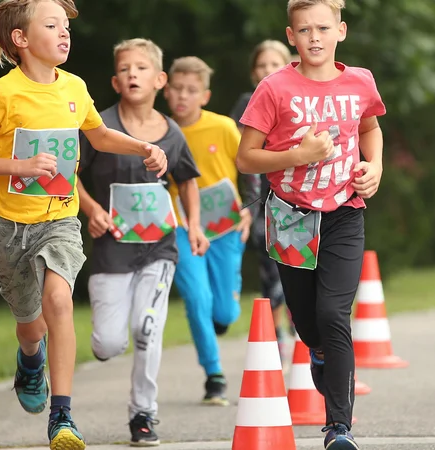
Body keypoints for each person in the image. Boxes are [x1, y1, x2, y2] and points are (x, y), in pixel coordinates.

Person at [0, 1, 167, 449]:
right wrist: (21, 165)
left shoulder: (75, 87)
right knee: (31, 325)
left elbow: (100, 136)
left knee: (59, 301)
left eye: (66, 26)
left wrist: (143, 147)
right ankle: (31, 359)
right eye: (52, 25)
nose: (65, 33)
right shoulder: (0, 94)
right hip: (8, 225)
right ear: (21, 40)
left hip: (60, 218)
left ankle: (62, 416)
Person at [236, 0, 386, 448]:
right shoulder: (274, 87)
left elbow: (370, 128)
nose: (314, 37)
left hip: (344, 213)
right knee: (306, 323)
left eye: (323, 28)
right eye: (305, 30)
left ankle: (339, 427)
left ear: (341, 30)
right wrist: (298, 157)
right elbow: (246, 156)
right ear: (290, 36)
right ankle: (318, 352)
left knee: (333, 314)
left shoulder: (360, 81)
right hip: (291, 216)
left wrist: (375, 166)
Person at [77, 38, 207, 447]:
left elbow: (187, 181)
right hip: (112, 249)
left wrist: (195, 225)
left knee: (147, 329)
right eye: (125, 69)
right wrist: (90, 208)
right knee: (110, 342)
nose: (133, 74)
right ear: (115, 82)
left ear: (159, 79)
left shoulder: (172, 133)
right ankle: (106, 348)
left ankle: (143, 414)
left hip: (159, 248)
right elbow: (68, 172)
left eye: (141, 68)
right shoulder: (98, 127)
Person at [163, 56, 253, 406]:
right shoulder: (161, 131)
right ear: (166, 91)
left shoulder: (224, 128)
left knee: (225, 313)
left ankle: (221, 315)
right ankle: (214, 375)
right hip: (181, 227)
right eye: (177, 89)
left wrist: (248, 211)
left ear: (205, 95)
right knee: (197, 297)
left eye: (191, 90)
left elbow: (250, 169)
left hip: (225, 226)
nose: (183, 96)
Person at [229, 39, 294, 359]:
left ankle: (300, 316)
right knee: (272, 269)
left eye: (275, 64)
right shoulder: (245, 104)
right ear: (254, 72)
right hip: (262, 200)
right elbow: (235, 154)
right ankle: (279, 332)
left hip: (299, 197)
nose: (268, 70)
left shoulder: (300, 99)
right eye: (262, 65)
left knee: (302, 266)